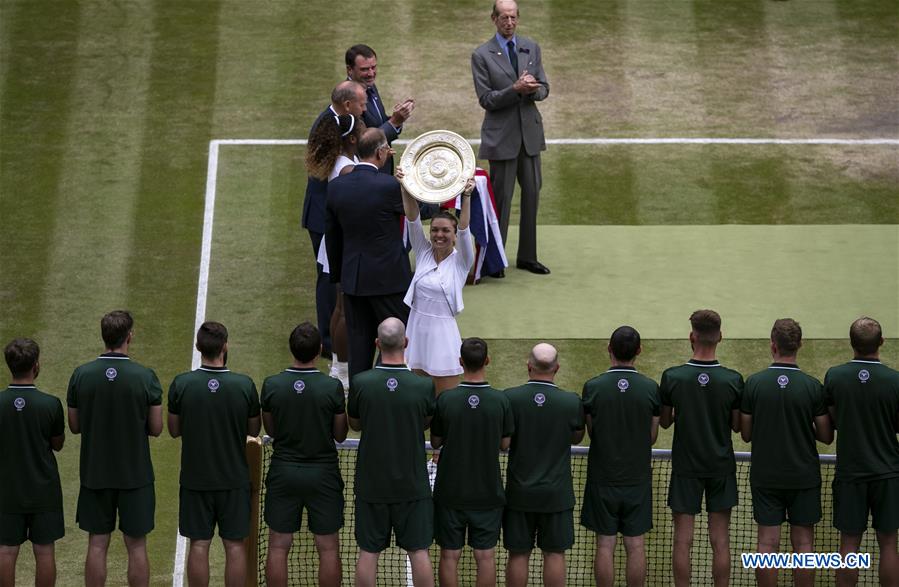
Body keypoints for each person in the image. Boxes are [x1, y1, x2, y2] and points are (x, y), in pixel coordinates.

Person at [66, 310, 163, 587]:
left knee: (97, 543)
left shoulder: (81, 375)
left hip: (95, 473)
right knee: (136, 546)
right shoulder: (146, 377)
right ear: (129, 336)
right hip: (136, 476)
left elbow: (74, 425)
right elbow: (156, 428)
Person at [740, 318, 833, 587]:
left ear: (772, 346)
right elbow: (826, 436)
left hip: (766, 477)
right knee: (804, 545)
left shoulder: (754, 383)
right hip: (803, 476)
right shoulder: (813, 386)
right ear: (799, 345)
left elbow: (746, 433)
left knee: (766, 545)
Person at [167, 322, 261, 587]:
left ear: (198, 347)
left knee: (199, 544)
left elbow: (174, 430)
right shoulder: (244, 385)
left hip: (196, 481)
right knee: (234, 546)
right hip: (234, 480)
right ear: (225, 346)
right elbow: (254, 430)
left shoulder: (182, 384)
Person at [347, 318, 435, 587]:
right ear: (405, 343)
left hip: (372, 484)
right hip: (411, 484)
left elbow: (355, 424)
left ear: (377, 344)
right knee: (418, 551)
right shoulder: (423, 386)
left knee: (368, 552)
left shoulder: (361, 383)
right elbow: (425, 422)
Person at [659, 309, 743, 587]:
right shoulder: (733, 380)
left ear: (691, 337)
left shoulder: (672, 377)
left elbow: (667, 421)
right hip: (720, 468)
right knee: (720, 540)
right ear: (720, 337)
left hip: (686, 468)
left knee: (682, 540)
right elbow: (736, 425)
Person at [260, 323, 347, 587]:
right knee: (329, 548)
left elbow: (270, 429)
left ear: (291, 349)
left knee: (277, 546)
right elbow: (341, 434)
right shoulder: (331, 388)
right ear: (320, 349)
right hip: (323, 475)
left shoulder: (272, 385)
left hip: (284, 472)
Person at [325, 128, 412, 380]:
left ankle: (359, 406)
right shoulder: (388, 186)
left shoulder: (336, 187)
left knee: (359, 347)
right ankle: (391, 393)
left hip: (353, 281)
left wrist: (342, 277)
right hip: (390, 282)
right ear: (380, 153)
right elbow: (421, 209)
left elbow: (333, 237)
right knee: (398, 342)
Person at [471, 0, 550, 277]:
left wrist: (532, 90)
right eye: (504, 17)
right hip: (501, 138)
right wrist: (515, 89)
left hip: (529, 136)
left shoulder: (531, 47)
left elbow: (544, 89)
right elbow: (486, 99)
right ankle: (496, 259)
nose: (509, 22)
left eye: (513, 17)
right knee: (501, 201)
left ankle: (528, 257)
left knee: (531, 197)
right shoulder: (481, 54)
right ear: (494, 19)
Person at [430, 338, 513, 587]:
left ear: (460, 362)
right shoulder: (501, 401)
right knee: (485, 556)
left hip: (450, 492)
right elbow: (505, 444)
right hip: (487, 493)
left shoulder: (445, 400)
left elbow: (435, 442)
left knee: (449, 555)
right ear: (487, 361)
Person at [581, 326, 660, 587]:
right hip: (636, 479)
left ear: (609, 349)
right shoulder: (650, 388)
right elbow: (652, 435)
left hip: (602, 478)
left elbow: (592, 431)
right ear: (639, 351)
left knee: (605, 544)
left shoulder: (592, 387)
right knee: (635, 545)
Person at [823, 316, 898, 586]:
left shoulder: (835, 377)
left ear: (851, 343)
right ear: (881, 342)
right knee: (889, 544)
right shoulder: (895, 381)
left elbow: (831, 420)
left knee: (848, 546)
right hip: (888, 474)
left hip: (850, 475)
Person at [503, 343, 585, 587]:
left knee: (518, 553)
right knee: (555, 553)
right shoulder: (571, 402)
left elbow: (505, 441)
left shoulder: (510, 398)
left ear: (529, 367)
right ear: (557, 368)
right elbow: (576, 437)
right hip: (556, 494)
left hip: (519, 493)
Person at [302, 80, 368, 364]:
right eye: (362, 104)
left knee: (333, 282)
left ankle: (333, 338)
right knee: (330, 283)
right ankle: (329, 342)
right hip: (325, 219)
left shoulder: (336, 128)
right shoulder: (329, 127)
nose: (366, 109)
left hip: (329, 217)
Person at [396, 167, 476, 393]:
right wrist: (406, 186)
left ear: (453, 235)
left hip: (443, 334)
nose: (439, 235)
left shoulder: (461, 261)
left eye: (445, 231)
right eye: (435, 230)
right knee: (415, 398)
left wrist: (466, 196)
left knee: (444, 400)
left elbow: (464, 228)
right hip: (415, 330)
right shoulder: (422, 251)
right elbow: (412, 218)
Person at [0, 339, 64, 587]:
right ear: (36, 365)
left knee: (6, 551)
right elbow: (57, 444)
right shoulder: (50, 404)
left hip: (7, 490)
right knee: (45, 551)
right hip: (43, 491)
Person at [345, 44, 414, 174]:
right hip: (367, 175)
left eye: (373, 67)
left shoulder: (370, 87)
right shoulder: (349, 100)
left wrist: (399, 117)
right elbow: (363, 142)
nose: (371, 74)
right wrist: (394, 122)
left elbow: (377, 124)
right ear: (350, 70)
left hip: (381, 169)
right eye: (365, 69)